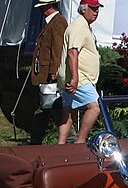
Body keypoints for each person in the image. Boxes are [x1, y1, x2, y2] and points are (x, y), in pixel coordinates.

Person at [57, 0, 102, 145]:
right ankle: (80, 142)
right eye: (93, 8)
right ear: (83, 9)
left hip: (74, 77)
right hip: (80, 78)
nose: (96, 12)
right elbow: (72, 52)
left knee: (69, 112)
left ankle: (60, 145)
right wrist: (75, 78)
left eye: (97, 9)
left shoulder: (84, 26)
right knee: (94, 108)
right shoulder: (78, 26)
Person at [28, 0, 67, 145]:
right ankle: (35, 139)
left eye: (42, 7)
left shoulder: (58, 23)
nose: (41, 10)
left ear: (49, 7)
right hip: (45, 75)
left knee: (54, 108)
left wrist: (54, 72)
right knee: (45, 108)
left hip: (50, 76)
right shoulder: (51, 22)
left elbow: (58, 49)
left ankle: (70, 139)